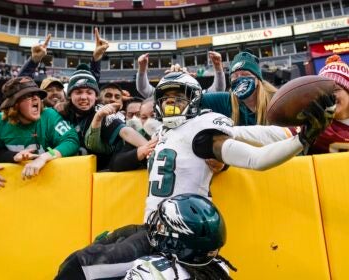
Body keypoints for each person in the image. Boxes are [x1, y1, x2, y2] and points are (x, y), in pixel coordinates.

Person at [55, 72, 335, 279]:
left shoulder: (202, 132)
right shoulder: (161, 132)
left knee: (77, 269)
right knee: (89, 255)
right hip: (152, 227)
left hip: (178, 236)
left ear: (194, 101)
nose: (171, 103)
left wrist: (302, 139)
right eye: (165, 98)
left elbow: (255, 159)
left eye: (179, 97)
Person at [124, 193, 236, 280]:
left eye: (162, 226)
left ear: (178, 239)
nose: (158, 227)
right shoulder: (218, 268)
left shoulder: (147, 270)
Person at [0, 76, 80, 180]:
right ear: (14, 104)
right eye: (28, 96)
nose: (36, 98)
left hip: (48, 181)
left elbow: (71, 140)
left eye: (37, 94)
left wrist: (45, 157)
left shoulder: (49, 116)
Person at [201, 50, 277, 125]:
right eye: (234, 76)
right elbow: (197, 99)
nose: (239, 79)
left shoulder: (276, 100)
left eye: (245, 74)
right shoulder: (227, 100)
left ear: (258, 80)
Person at [136, 51, 226, 98]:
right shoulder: (161, 94)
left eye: (183, 74)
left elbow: (218, 89)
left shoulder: (198, 95)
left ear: (192, 78)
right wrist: (142, 68)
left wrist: (218, 68)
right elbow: (143, 89)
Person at [308, 54, 349, 154]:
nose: (330, 96)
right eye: (324, 91)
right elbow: (277, 134)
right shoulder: (315, 123)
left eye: (335, 89)